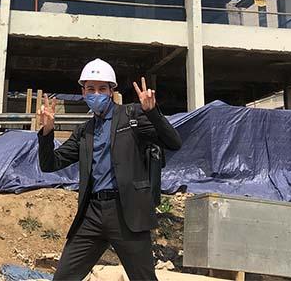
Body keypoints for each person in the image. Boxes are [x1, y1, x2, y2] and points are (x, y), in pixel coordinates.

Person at [37, 58, 182, 281]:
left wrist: (153, 112)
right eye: (91, 89)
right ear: (83, 93)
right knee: (64, 277)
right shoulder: (84, 131)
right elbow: (50, 164)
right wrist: (47, 133)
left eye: (102, 88)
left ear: (112, 91)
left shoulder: (132, 115)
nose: (96, 94)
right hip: (92, 215)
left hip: (127, 213)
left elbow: (173, 142)